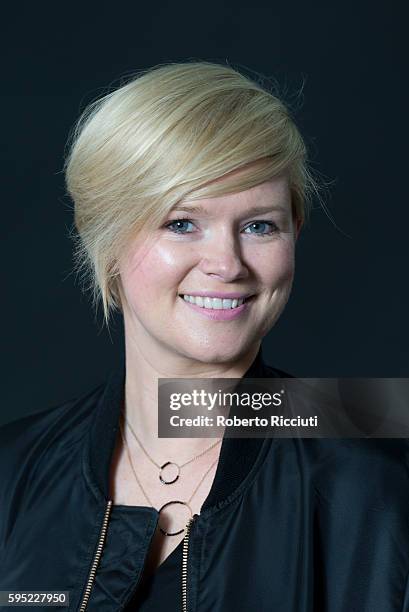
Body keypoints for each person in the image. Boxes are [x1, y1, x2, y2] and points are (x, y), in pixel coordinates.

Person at [1, 61, 409, 612]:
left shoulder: (380, 490)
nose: (226, 263)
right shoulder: (11, 471)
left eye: (259, 225)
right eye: (182, 222)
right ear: (107, 239)